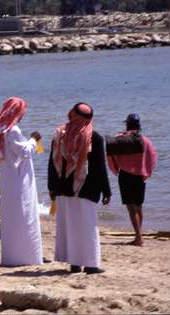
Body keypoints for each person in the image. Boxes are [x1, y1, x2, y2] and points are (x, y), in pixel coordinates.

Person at [48, 103, 111, 274]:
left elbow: (52, 163)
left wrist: (52, 187)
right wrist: (106, 190)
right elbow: (99, 167)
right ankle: (90, 264)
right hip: (85, 188)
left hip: (63, 188)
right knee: (88, 226)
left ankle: (74, 264)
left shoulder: (59, 134)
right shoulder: (94, 138)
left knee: (70, 226)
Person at [0, 97, 43, 266]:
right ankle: (26, 256)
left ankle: (14, 255)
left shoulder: (0, 130)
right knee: (24, 214)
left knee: (13, 217)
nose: (22, 115)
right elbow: (24, 152)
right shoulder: (12, 130)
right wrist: (33, 140)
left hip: (9, 178)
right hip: (18, 179)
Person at [107, 113, 158, 246]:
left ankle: (139, 237)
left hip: (125, 175)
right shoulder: (145, 140)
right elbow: (152, 157)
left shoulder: (120, 138)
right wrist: (147, 172)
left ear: (127, 124)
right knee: (138, 206)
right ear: (139, 125)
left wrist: (115, 169)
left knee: (131, 208)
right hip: (140, 176)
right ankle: (138, 235)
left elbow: (111, 154)